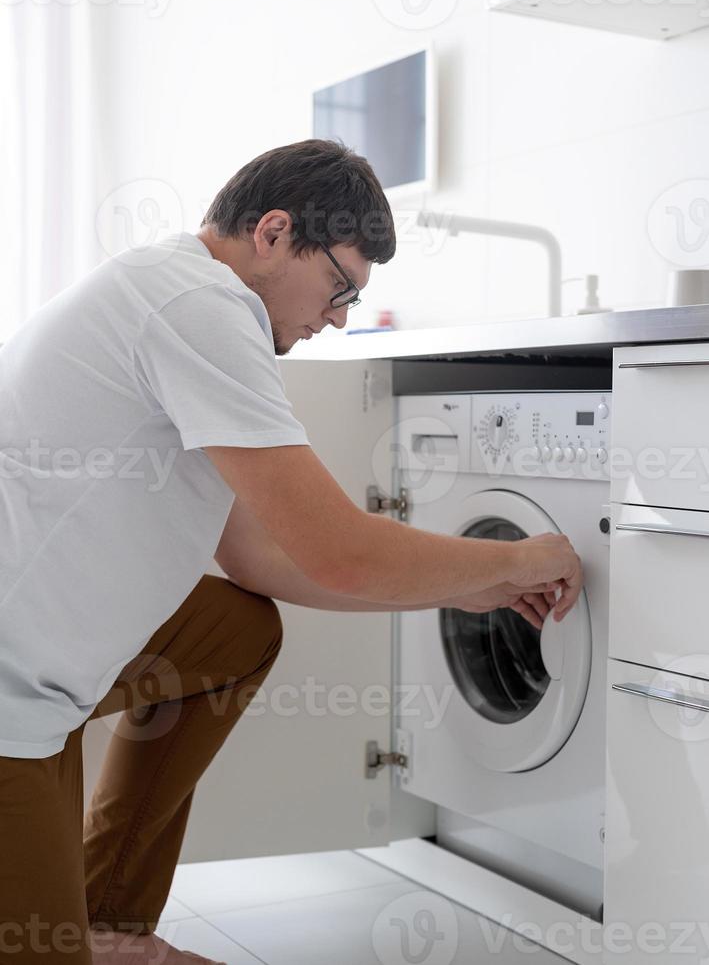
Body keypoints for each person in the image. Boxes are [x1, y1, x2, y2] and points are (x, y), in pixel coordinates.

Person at [0, 138, 583, 964]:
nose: (336, 318)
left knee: (233, 630)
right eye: (338, 286)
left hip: (39, 651)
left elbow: (260, 559)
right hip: (10, 691)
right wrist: (515, 561)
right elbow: (340, 550)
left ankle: (109, 923)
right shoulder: (197, 305)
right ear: (274, 233)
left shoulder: (173, 290)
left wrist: (458, 589)